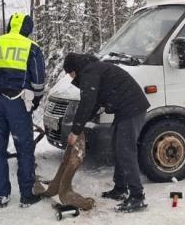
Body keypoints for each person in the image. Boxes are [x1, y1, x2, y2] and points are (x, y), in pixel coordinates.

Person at [63, 53, 150, 213]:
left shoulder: (90, 72)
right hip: (126, 109)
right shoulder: (93, 69)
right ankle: (120, 189)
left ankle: (137, 196)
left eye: (70, 73)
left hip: (132, 108)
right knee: (118, 148)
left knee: (125, 151)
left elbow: (87, 102)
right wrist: (80, 127)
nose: (70, 77)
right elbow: (94, 103)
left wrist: (75, 131)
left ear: (74, 68)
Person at [0, 12, 46, 208]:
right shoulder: (31, 47)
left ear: (9, 26)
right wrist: (35, 101)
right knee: (24, 149)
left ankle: (2, 196)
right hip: (19, 102)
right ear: (28, 29)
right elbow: (39, 82)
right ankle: (26, 195)